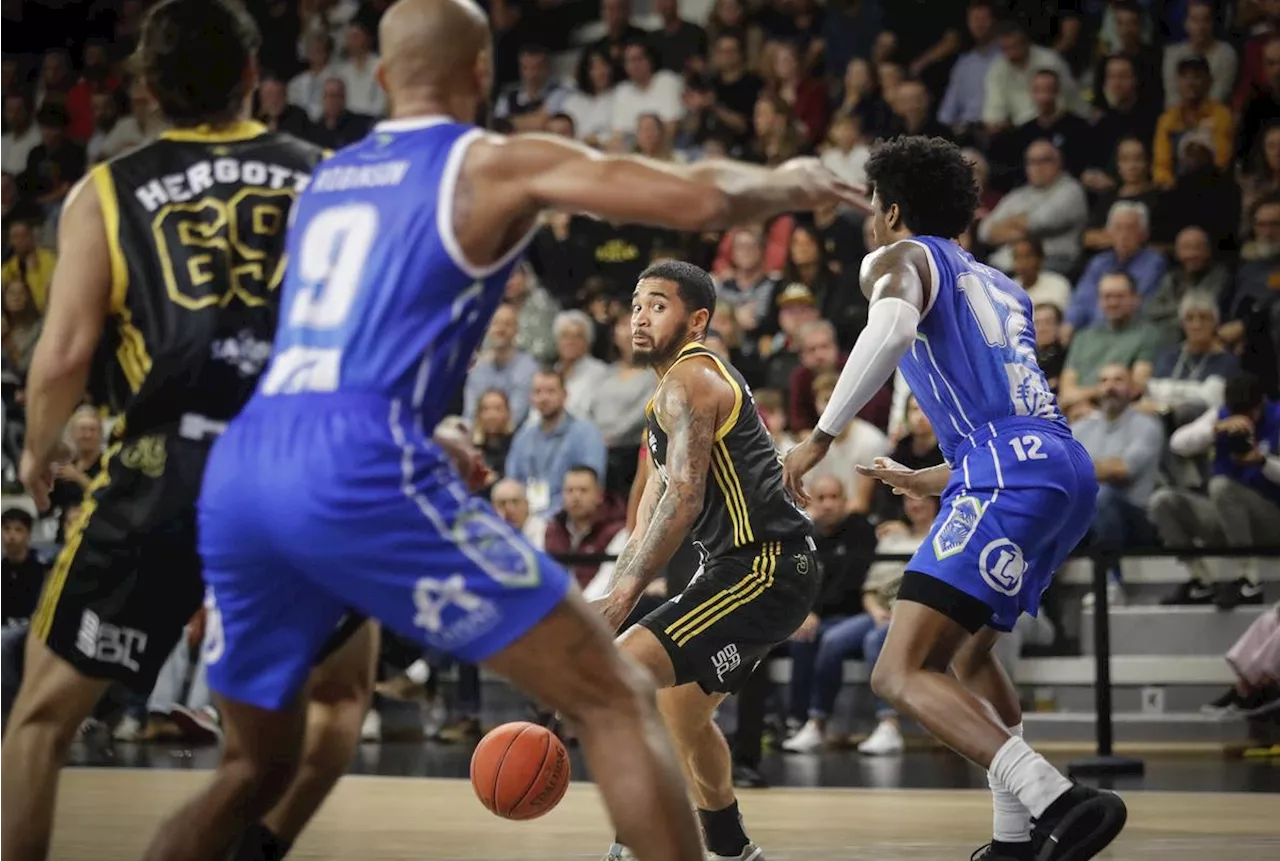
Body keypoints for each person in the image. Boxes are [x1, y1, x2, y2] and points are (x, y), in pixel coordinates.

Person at [137, 0, 860, 859]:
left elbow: (305, 339)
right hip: (356, 461)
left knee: (251, 771)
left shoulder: (328, 174)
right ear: (482, 71)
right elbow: (698, 195)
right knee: (613, 694)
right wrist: (796, 179)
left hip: (247, 462)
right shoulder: (488, 159)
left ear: (376, 76)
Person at [0, 4, 379, 861]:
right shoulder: (326, 177)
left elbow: (61, 354)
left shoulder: (106, 188)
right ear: (254, 75)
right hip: (295, 466)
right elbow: (368, 342)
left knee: (40, 718)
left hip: (163, 465)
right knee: (338, 698)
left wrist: (36, 449)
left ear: (147, 90)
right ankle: (248, 844)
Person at [782, 135, 1127, 861]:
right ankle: (1012, 841)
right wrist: (932, 476)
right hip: (1060, 467)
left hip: (1008, 472)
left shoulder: (900, 258)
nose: (870, 220)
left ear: (895, 211)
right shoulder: (1002, 285)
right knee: (970, 655)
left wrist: (819, 436)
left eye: (875, 207)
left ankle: (1057, 800)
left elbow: (892, 326)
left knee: (898, 670)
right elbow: (1013, 422)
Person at [593, 261, 818, 861]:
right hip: (747, 568)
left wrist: (622, 600)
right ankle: (732, 847)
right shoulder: (666, 393)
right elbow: (655, 499)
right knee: (681, 712)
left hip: (763, 566)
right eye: (636, 303)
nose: (640, 315)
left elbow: (685, 497)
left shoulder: (689, 381)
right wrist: (619, 584)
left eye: (658, 304)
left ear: (696, 320)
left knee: (623, 678)